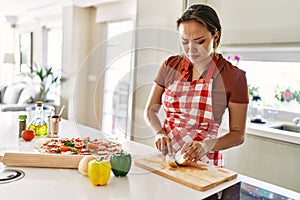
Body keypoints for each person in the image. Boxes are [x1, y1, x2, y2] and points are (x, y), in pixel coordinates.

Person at [144, 4, 249, 168]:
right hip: (166, 160)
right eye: (184, 42)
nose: (190, 50)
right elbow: (150, 110)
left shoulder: (234, 77)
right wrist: (159, 133)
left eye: (199, 41)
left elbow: (238, 135)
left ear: (216, 36)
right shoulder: (170, 65)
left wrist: (206, 145)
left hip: (205, 165)